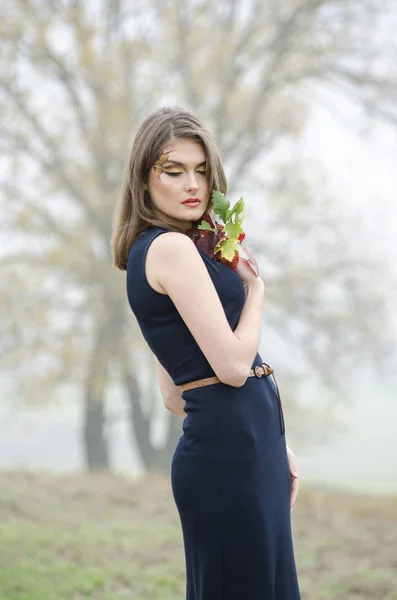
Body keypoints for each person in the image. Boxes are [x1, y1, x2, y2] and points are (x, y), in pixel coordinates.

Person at [111, 105, 301, 599]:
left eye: (201, 171)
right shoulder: (170, 249)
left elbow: (175, 394)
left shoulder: (157, 252)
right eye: (173, 171)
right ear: (143, 180)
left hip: (242, 449)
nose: (192, 183)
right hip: (230, 459)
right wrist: (256, 291)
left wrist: (272, 441)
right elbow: (235, 368)